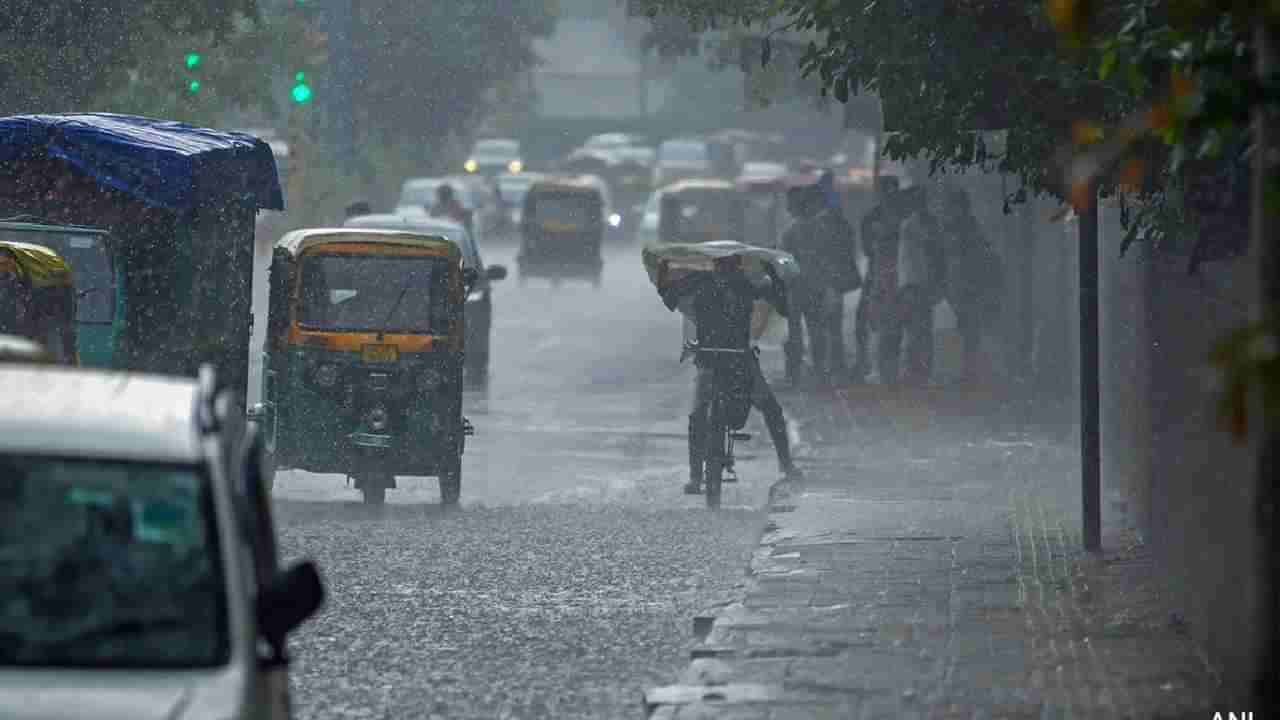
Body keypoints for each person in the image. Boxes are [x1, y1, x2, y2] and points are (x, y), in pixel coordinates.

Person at [658, 254, 800, 494]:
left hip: (722, 360)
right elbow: (782, 303)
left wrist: (664, 275)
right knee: (765, 410)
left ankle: (697, 477)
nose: (726, 270)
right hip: (732, 361)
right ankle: (785, 465)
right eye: (725, 265)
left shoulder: (713, 282)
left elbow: (670, 299)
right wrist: (774, 276)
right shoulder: (735, 283)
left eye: (728, 265)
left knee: (701, 416)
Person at [880, 185, 947, 387]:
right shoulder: (922, 223)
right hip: (916, 283)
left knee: (913, 331)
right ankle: (918, 373)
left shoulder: (912, 223)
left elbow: (927, 254)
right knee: (919, 331)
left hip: (912, 284)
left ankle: (915, 373)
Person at [940, 186, 1003, 384]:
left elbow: (966, 257)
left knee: (969, 329)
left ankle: (971, 372)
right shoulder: (962, 226)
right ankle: (969, 371)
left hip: (967, 284)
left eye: (952, 206)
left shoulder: (965, 228)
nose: (948, 210)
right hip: (962, 284)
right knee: (967, 329)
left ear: (960, 207)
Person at [853, 175, 902, 382]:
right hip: (880, 271)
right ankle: (867, 361)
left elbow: (867, 248)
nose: (886, 194)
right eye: (884, 190)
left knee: (891, 318)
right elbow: (867, 249)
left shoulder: (898, 216)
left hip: (895, 272)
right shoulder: (876, 216)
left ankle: (884, 364)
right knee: (867, 318)